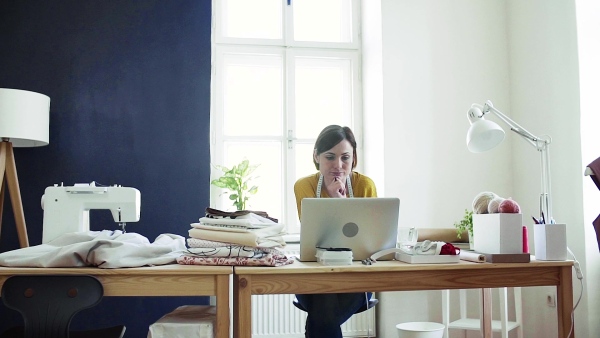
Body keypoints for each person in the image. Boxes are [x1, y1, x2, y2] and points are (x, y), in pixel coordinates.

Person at [293, 125, 377, 338]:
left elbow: (368, 242)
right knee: (324, 299)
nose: (338, 166)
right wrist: (334, 202)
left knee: (321, 312)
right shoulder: (304, 186)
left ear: (354, 158)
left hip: (355, 278)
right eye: (330, 157)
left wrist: (344, 204)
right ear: (316, 156)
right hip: (313, 275)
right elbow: (316, 239)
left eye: (345, 158)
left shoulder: (365, 186)